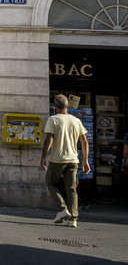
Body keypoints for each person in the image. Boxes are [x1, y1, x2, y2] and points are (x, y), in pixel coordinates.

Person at [41, 93, 90, 227]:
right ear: (68, 105)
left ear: (55, 106)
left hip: (57, 159)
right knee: (71, 188)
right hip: (73, 160)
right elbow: (85, 142)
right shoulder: (76, 120)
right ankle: (73, 219)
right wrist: (85, 161)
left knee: (50, 183)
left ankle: (62, 209)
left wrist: (43, 157)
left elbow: (49, 139)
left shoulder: (53, 119)